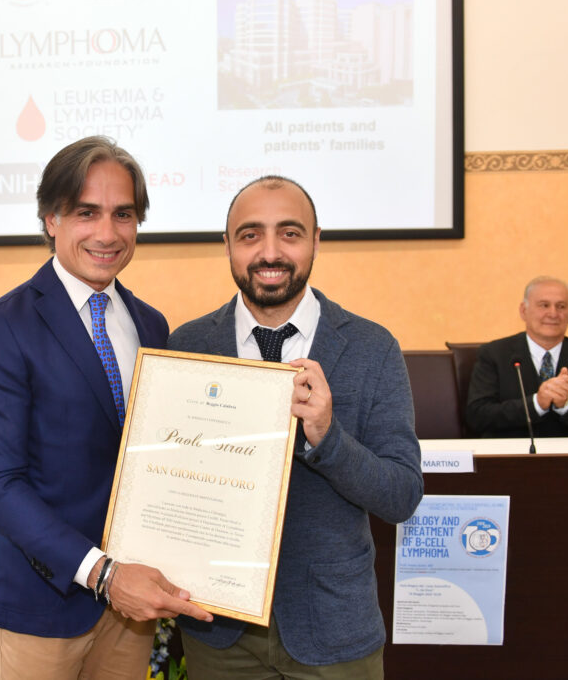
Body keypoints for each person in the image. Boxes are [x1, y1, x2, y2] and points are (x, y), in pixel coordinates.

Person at [0, 136, 212, 679]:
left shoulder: (150, 324)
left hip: (130, 611)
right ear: (51, 218)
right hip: (42, 603)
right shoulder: (1, 326)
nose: (107, 233)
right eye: (86, 213)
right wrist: (102, 573)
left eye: (123, 214)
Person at [167, 175, 423, 679]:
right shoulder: (187, 346)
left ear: (316, 241)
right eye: (249, 234)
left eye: (289, 233)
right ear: (227, 247)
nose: (269, 251)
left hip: (335, 631)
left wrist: (329, 437)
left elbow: (402, 496)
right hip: (218, 635)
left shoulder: (373, 348)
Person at [466, 276, 568, 438]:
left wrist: (567, 405)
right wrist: (536, 403)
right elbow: (478, 416)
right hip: (510, 456)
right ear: (523, 311)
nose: (553, 313)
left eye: (561, 306)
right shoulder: (494, 354)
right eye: (544, 305)